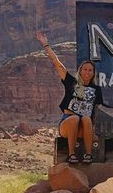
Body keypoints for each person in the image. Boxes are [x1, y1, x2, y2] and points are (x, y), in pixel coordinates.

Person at [36, 31, 103, 164]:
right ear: (80, 70)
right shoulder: (71, 82)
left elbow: (94, 112)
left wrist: (93, 131)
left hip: (84, 127)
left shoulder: (96, 90)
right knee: (74, 118)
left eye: (90, 70)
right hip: (67, 124)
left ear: (93, 73)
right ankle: (71, 154)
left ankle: (88, 155)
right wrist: (46, 45)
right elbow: (57, 64)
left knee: (86, 118)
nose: (87, 72)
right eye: (85, 69)